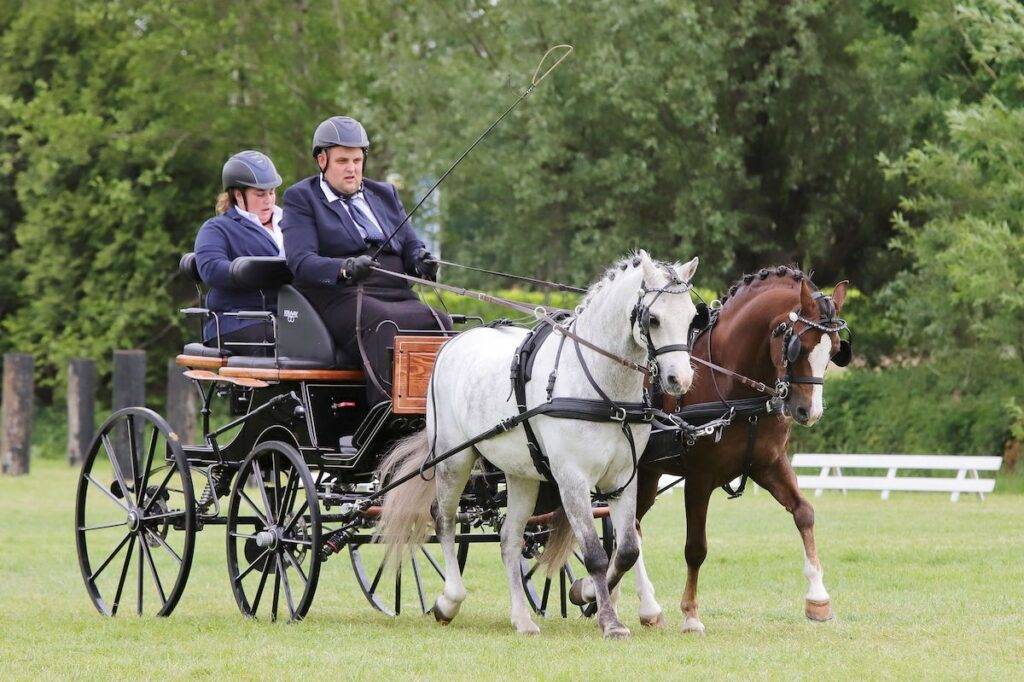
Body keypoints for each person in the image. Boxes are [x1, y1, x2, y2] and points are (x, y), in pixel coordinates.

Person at [281, 115, 450, 404]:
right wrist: (344, 268)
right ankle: (385, 412)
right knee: (385, 325)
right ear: (322, 160)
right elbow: (301, 261)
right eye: (342, 161)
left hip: (395, 292)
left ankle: (437, 410)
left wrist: (420, 259)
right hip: (341, 295)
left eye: (357, 160)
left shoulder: (384, 193)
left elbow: (410, 242)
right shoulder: (301, 197)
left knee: (441, 323)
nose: (352, 169)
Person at [194, 150, 285, 355]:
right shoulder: (217, 228)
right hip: (238, 321)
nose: (268, 200)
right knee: (288, 339)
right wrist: (254, 271)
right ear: (238, 195)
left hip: (292, 315)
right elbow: (211, 268)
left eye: (271, 192)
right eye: (260, 194)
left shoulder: (292, 222)